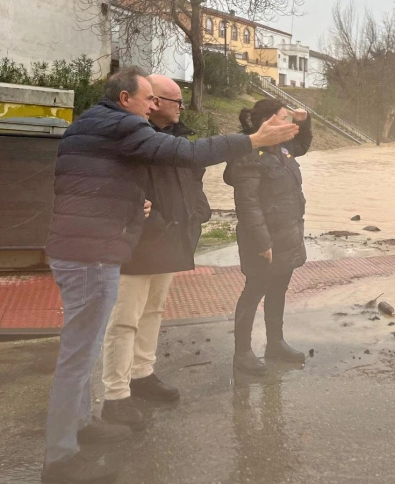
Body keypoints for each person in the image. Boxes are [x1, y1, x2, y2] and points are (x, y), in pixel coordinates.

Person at [42, 66, 299, 484]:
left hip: (85, 246)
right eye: (148, 100)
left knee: (83, 349)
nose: (152, 108)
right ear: (125, 99)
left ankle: (82, 424)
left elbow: (92, 184)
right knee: (78, 355)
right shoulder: (123, 125)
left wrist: (131, 205)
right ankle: (60, 461)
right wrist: (251, 141)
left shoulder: (91, 124)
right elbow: (187, 154)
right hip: (92, 254)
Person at [100, 74, 211, 431]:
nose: (181, 107)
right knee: (124, 318)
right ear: (155, 102)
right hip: (137, 242)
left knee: (154, 310)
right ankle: (115, 396)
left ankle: (142, 374)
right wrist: (158, 224)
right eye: (174, 100)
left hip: (170, 239)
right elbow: (126, 188)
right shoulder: (132, 136)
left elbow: (192, 181)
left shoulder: (178, 139)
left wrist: (197, 213)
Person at [224, 99, 312, 376]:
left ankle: (275, 344)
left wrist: (303, 122)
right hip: (264, 240)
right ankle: (242, 353)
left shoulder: (283, 148)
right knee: (254, 292)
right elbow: (248, 204)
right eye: (284, 118)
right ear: (268, 121)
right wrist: (262, 242)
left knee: (278, 290)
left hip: (287, 233)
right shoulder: (248, 154)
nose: (288, 124)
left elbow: (304, 145)